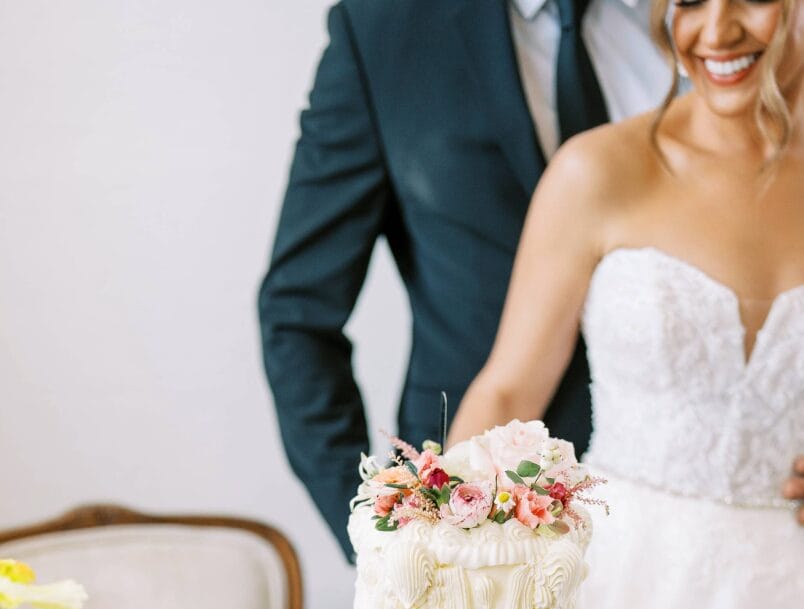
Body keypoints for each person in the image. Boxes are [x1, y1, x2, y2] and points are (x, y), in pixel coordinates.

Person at [449, 0, 804, 609]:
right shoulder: (600, 169)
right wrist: (434, 589)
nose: (716, 31)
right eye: (688, 0)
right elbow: (510, 387)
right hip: (624, 603)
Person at [258, 0, 673, 556]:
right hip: (474, 513)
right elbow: (297, 315)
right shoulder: (384, 30)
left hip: (678, 507)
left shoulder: (705, 24)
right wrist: (379, 540)